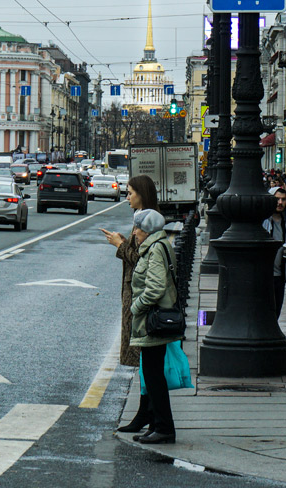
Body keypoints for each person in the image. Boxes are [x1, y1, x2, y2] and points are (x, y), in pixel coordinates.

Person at [102, 175, 158, 434]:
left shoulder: (147, 221)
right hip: (134, 296)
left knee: (146, 359)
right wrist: (124, 242)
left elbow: (141, 261)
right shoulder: (144, 219)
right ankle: (145, 411)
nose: (127, 197)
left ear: (142, 195)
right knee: (145, 360)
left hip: (139, 300)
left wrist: (121, 245)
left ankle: (147, 413)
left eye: (130, 193)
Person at [128, 208, 182, 445]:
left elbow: (156, 287)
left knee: (154, 376)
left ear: (146, 229)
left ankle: (164, 428)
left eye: (137, 228)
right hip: (154, 321)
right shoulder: (157, 245)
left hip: (153, 321)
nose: (134, 232)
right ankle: (158, 426)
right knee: (153, 375)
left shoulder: (155, 250)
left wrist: (136, 307)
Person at [263, 187, 286, 319]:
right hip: (264, 274)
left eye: (283, 199)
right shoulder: (263, 222)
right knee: (264, 311)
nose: (280, 202)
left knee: (276, 311)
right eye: (277, 199)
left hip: (280, 276)